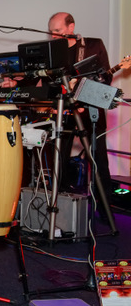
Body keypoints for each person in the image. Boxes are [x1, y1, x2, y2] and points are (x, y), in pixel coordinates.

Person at [47, 12, 114, 214]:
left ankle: (105, 209)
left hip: (90, 109)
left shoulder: (92, 45)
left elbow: (106, 79)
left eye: (57, 30)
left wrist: (84, 92)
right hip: (64, 109)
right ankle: (60, 206)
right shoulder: (53, 51)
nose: (53, 35)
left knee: (99, 159)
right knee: (59, 158)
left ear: (71, 27)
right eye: (51, 32)